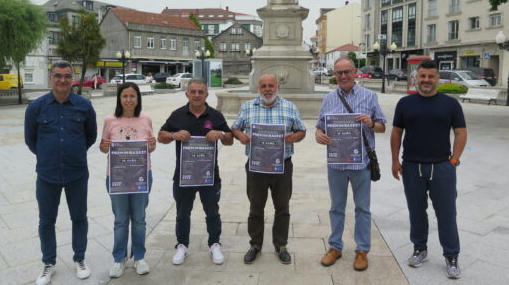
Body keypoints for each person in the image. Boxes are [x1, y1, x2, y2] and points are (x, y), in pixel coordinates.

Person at [390, 60, 467, 279]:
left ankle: (451, 255)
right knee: (416, 211)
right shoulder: (405, 103)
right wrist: (395, 161)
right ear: (416, 77)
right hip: (412, 166)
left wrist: (453, 161)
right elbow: (396, 133)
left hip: (442, 167)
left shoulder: (450, 104)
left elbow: (460, 132)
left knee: (446, 213)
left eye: (430, 76)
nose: (426, 80)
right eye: (422, 76)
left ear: (437, 79)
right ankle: (419, 249)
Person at [24, 60, 97, 285]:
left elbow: (90, 136)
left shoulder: (84, 106)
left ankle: (80, 259)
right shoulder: (36, 107)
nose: (63, 80)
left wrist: (73, 153)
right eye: (58, 75)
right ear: (51, 78)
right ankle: (48, 263)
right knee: (46, 221)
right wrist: (50, 155)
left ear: (72, 79)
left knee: (79, 217)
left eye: (67, 76)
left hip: (77, 173)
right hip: (47, 174)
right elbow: (31, 140)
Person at [315, 56, 386, 271]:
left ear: (355, 72)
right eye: (339, 73)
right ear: (334, 75)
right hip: (336, 164)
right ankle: (335, 247)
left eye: (347, 72)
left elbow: (382, 126)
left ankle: (362, 250)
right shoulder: (327, 99)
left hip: (361, 163)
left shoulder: (370, 96)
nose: (343, 76)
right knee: (336, 207)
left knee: (362, 208)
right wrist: (319, 135)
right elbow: (319, 127)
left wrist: (371, 123)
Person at [231, 74, 306, 265]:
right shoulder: (248, 107)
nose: (267, 89)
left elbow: (302, 130)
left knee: (282, 207)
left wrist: (295, 137)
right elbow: (235, 128)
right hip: (256, 167)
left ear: (277, 87)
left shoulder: (289, 106)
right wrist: (241, 136)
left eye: (271, 85)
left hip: (282, 166)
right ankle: (255, 245)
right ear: (258, 88)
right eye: (263, 86)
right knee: (256, 208)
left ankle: (281, 245)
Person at [158, 78, 233, 265]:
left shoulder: (215, 116)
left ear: (207, 95)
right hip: (184, 175)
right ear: (187, 94)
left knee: (212, 211)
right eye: (193, 92)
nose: (197, 95)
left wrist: (221, 134)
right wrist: (173, 135)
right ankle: (182, 245)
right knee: (183, 212)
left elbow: (231, 138)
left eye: (201, 92)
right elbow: (161, 136)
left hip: (209, 175)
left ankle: (214, 243)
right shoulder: (177, 115)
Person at [99, 82, 157, 278]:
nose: (129, 100)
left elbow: (150, 147)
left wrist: (153, 144)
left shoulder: (146, 118)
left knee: (139, 219)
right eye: (125, 96)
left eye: (133, 96)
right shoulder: (110, 120)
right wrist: (104, 145)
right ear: (119, 99)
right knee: (120, 220)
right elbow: (103, 147)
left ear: (138, 98)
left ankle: (139, 257)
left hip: (141, 175)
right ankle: (119, 258)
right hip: (117, 176)